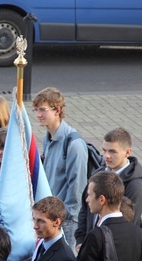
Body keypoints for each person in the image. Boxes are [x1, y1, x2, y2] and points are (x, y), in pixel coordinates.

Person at [75, 128, 142, 250]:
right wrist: (81, 240)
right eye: (104, 150)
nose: (107, 156)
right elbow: (84, 209)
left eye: (113, 152)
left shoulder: (135, 186)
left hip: (114, 251)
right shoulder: (98, 175)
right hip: (93, 246)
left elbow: (128, 223)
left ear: (127, 152)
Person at [33, 87, 88, 247]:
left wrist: (67, 218)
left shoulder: (74, 144)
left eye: (43, 110)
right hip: (49, 217)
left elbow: (77, 187)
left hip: (65, 221)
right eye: (36, 110)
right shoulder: (47, 138)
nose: (38, 115)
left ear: (57, 110)